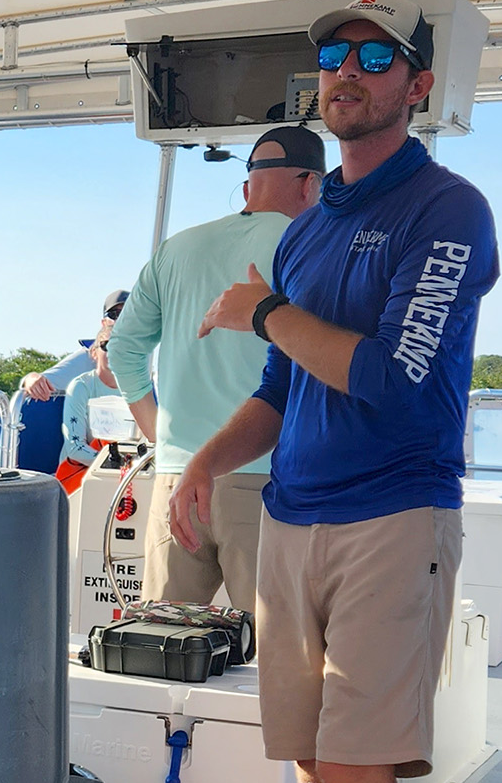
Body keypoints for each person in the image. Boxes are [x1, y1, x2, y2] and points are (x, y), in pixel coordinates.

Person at [175, 0, 498, 783]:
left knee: (360, 768)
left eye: (373, 55)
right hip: (292, 513)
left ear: (416, 84)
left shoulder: (446, 211)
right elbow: (280, 386)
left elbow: (391, 378)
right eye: (330, 57)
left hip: (390, 510)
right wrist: (206, 461)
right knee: (313, 768)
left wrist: (261, 310)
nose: (346, 69)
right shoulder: (308, 228)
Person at [108, 125, 324, 610]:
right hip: (269, 478)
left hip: (177, 479)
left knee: (160, 646)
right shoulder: (310, 245)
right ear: (312, 185)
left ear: (247, 190)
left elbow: (122, 349)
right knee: (277, 660)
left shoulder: (176, 248)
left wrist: (157, 432)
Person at [20, 291, 129, 404]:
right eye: (115, 314)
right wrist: (31, 379)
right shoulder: (91, 356)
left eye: (130, 314)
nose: (122, 320)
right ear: (104, 323)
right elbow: (37, 382)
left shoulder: (148, 358)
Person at [55, 318, 119, 493]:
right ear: (94, 352)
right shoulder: (81, 386)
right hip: (84, 478)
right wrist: (114, 465)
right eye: (107, 345)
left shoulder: (135, 390)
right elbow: (75, 447)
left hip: (123, 476)